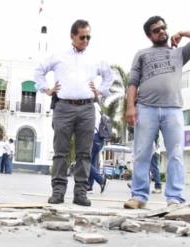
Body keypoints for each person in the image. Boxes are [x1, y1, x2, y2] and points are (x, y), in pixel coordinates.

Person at [34, 19, 113, 206]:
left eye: (88, 37)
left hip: (87, 108)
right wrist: (46, 89)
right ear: (72, 36)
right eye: (82, 37)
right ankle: (58, 192)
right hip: (63, 107)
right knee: (60, 152)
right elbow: (39, 71)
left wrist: (100, 91)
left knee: (84, 153)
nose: (86, 40)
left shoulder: (96, 57)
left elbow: (109, 76)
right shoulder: (58, 56)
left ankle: (80, 194)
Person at [124, 16, 190, 209]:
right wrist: (130, 106)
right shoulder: (142, 54)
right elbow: (133, 81)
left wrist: (182, 33)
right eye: (156, 30)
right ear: (149, 35)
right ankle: (138, 197)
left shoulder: (179, 53)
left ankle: (175, 198)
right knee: (142, 153)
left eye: (163, 28)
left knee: (175, 154)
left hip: (173, 109)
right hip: (146, 108)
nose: (161, 31)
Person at [87, 102, 107, 193]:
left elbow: (89, 124)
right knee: (92, 162)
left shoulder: (92, 108)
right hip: (100, 139)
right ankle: (89, 186)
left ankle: (101, 179)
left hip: (93, 137)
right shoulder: (99, 111)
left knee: (85, 160)